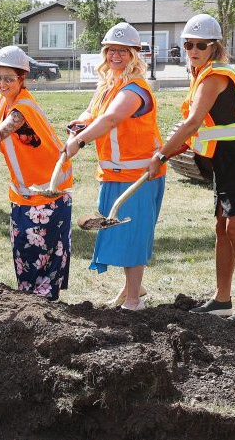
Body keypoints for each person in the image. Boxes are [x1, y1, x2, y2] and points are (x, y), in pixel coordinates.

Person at [148, 13, 235, 325]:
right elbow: (204, 127)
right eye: (188, 44)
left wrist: (161, 155)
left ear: (215, 47)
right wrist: (174, 148)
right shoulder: (200, 75)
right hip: (225, 159)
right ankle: (221, 299)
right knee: (221, 227)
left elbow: (191, 122)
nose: (193, 50)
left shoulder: (216, 77)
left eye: (201, 45)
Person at [0, 46, 73, 300]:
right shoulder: (3, 101)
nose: (2, 83)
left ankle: (43, 313)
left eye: (9, 78)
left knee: (43, 263)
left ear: (22, 79)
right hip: (25, 194)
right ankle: (31, 309)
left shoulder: (22, 108)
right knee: (25, 255)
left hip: (48, 194)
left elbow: (3, 131)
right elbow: (5, 138)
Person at [64, 23, 165, 311]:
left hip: (139, 175)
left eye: (123, 50)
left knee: (132, 235)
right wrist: (75, 129)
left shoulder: (135, 89)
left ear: (134, 54)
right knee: (118, 231)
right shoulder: (109, 84)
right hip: (113, 173)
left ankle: (134, 301)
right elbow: (92, 113)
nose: (115, 55)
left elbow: (110, 119)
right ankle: (134, 287)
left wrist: (79, 143)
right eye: (111, 50)